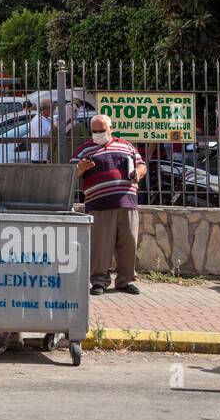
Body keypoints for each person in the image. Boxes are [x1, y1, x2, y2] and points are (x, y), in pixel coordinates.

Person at [72, 114, 147, 296]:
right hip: (99, 204)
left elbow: (141, 165)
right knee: (101, 246)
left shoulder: (126, 146)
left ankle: (125, 280)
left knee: (128, 243)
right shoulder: (84, 150)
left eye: (102, 131)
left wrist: (137, 173)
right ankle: (99, 281)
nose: (98, 134)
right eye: (94, 131)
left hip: (127, 202)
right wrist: (81, 168)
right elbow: (71, 173)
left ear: (111, 129)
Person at [29, 98, 54, 164]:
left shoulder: (47, 119)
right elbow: (41, 138)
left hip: (46, 157)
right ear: (45, 109)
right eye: (52, 108)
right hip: (40, 158)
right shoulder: (37, 120)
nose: (53, 110)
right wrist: (54, 136)